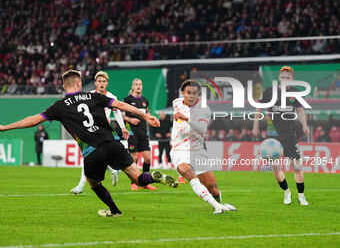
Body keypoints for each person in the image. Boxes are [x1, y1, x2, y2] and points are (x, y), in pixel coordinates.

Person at [0, 69, 178, 217]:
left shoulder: (59, 106)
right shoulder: (95, 96)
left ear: (64, 85)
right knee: (138, 178)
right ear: (79, 84)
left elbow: (33, 120)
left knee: (94, 184)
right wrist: (145, 115)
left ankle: (115, 211)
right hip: (113, 143)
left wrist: (6, 127)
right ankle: (154, 176)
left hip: (92, 152)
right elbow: (121, 105)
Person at [170, 79, 237, 214]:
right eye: (188, 92)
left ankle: (219, 203)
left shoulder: (204, 109)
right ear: (182, 93)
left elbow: (202, 130)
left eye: (194, 93)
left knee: (214, 190)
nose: (191, 96)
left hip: (197, 150)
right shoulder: (176, 102)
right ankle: (217, 207)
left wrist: (187, 118)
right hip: (179, 150)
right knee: (188, 173)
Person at [253, 66, 310, 206]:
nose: (285, 79)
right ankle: (286, 192)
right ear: (279, 78)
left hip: (290, 135)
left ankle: (301, 196)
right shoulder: (269, 91)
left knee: (297, 166)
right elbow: (259, 107)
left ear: (292, 79)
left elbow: (300, 110)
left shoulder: (295, 93)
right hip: (273, 135)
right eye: (283, 77)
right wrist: (255, 126)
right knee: (276, 167)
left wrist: (305, 125)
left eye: (288, 77)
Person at [70, 71, 129, 194]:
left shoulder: (112, 97)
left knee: (91, 156)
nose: (101, 83)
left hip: (104, 131)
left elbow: (117, 112)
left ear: (107, 83)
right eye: (99, 81)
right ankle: (110, 171)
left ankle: (82, 185)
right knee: (90, 156)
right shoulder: (89, 96)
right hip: (91, 130)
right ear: (95, 83)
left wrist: (123, 127)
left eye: (104, 81)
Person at [123, 78, 156, 190]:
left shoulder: (145, 100)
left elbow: (147, 114)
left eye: (140, 84)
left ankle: (145, 182)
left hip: (143, 133)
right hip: (132, 133)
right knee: (134, 158)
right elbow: (121, 115)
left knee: (147, 159)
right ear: (132, 86)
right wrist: (130, 120)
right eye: (136, 84)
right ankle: (134, 182)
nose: (138, 86)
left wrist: (152, 120)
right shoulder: (126, 100)